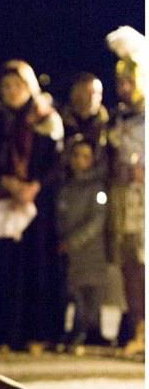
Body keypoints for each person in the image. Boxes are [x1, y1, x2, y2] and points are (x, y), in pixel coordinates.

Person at [0, 60, 64, 352]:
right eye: (6, 86)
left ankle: (31, 334)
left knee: (33, 268)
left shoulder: (46, 119)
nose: (11, 91)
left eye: (17, 85)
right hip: (0, 201)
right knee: (0, 268)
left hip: (36, 206)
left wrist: (34, 187)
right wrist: (6, 182)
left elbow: (57, 165)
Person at [105, 27, 145, 358]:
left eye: (129, 81)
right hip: (125, 202)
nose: (124, 89)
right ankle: (139, 330)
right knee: (130, 266)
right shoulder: (119, 119)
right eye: (120, 82)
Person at [56, 139, 109, 353]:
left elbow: (97, 219)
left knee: (89, 295)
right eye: (76, 155)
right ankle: (73, 333)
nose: (79, 161)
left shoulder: (96, 188)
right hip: (68, 251)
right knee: (73, 292)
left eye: (85, 156)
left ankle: (83, 333)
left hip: (89, 251)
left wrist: (74, 241)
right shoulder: (64, 186)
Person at [61, 72, 111, 179]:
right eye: (88, 92)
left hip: (96, 184)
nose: (93, 97)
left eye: (97, 93)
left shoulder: (108, 125)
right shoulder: (61, 122)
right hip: (66, 185)